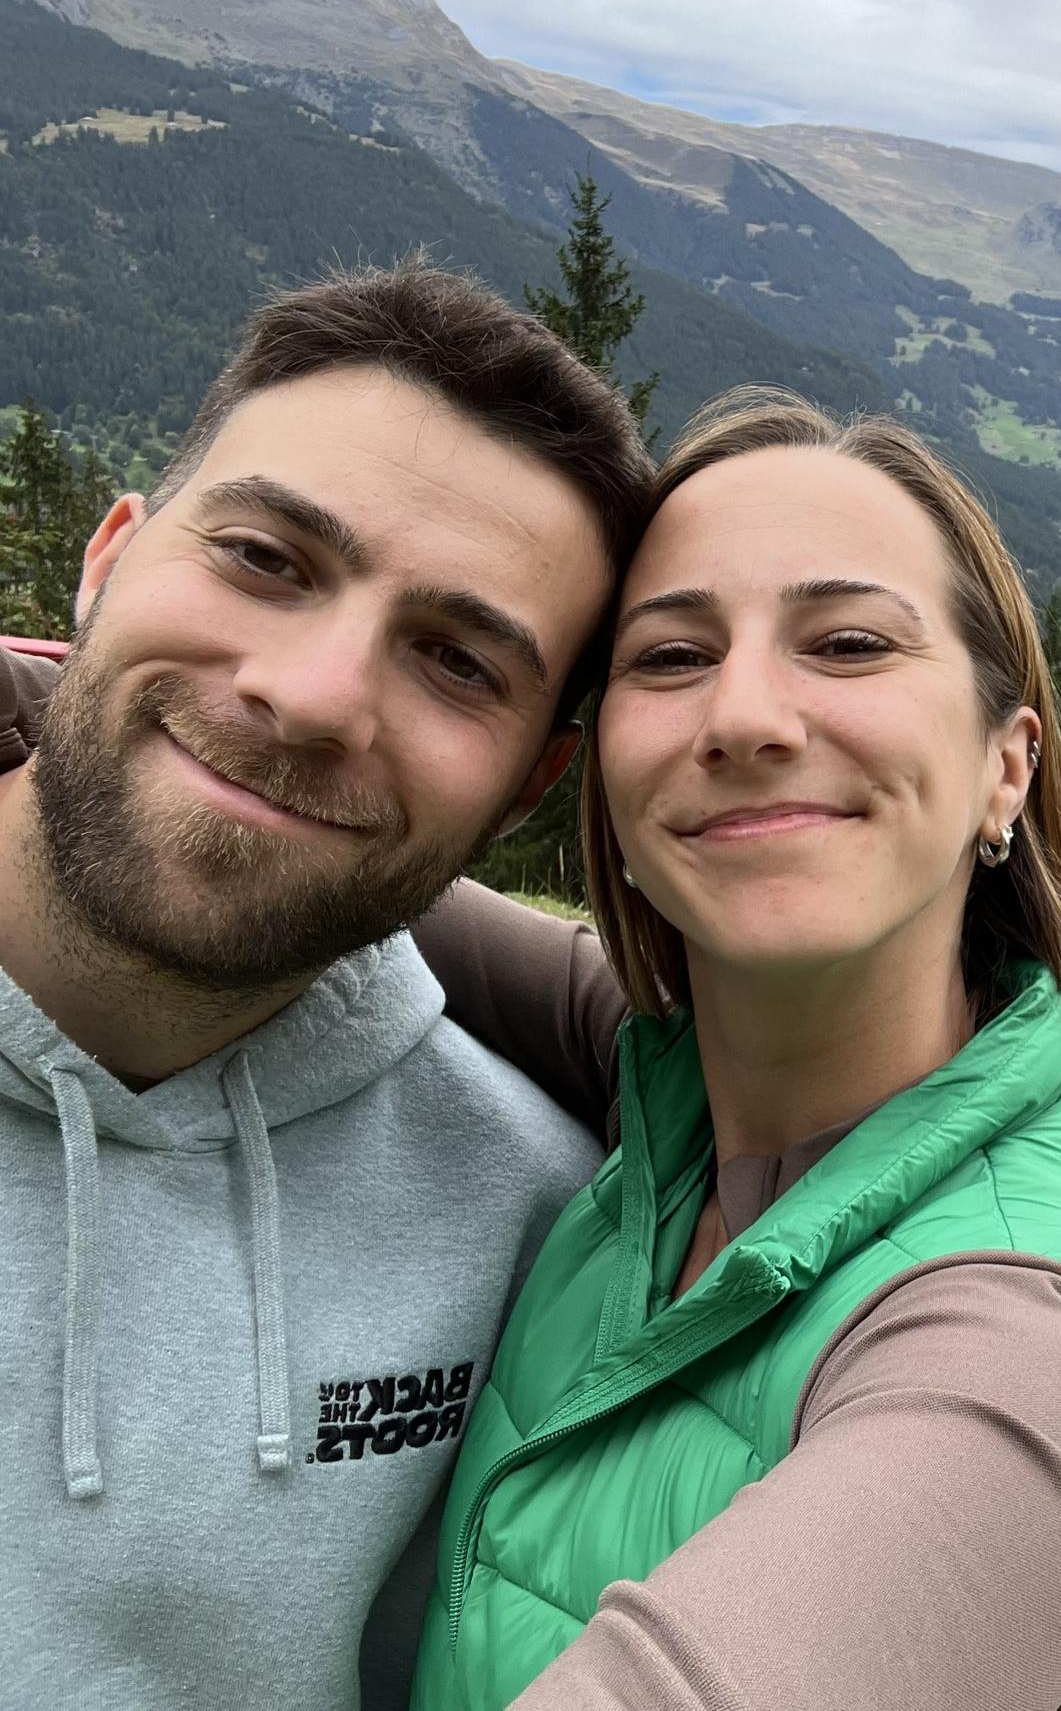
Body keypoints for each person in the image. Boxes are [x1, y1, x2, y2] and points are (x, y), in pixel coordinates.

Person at [403, 391, 1061, 1710]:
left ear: (1006, 768)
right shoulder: (678, 1093)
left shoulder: (1035, 1370)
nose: (744, 715)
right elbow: (349, 858)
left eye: (849, 643)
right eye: (671, 657)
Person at [0, 260, 652, 1711]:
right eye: (265, 558)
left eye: (457, 663)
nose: (311, 696)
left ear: (532, 782)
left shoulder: (540, 1224)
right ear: (108, 560)